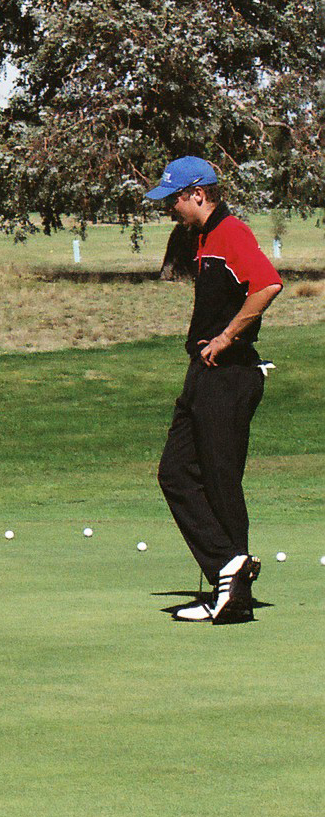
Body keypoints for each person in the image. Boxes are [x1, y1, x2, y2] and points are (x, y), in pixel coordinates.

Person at [146, 157, 282, 624]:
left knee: (220, 480)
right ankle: (230, 567)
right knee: (177, 472)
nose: (170, 209)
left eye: (174, 200)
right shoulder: (203, 237)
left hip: (229, 374)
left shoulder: (230, 232)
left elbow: (267, 284)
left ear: (198, 193)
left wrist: (227, 337)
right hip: (205, 374)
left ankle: (232, 593)